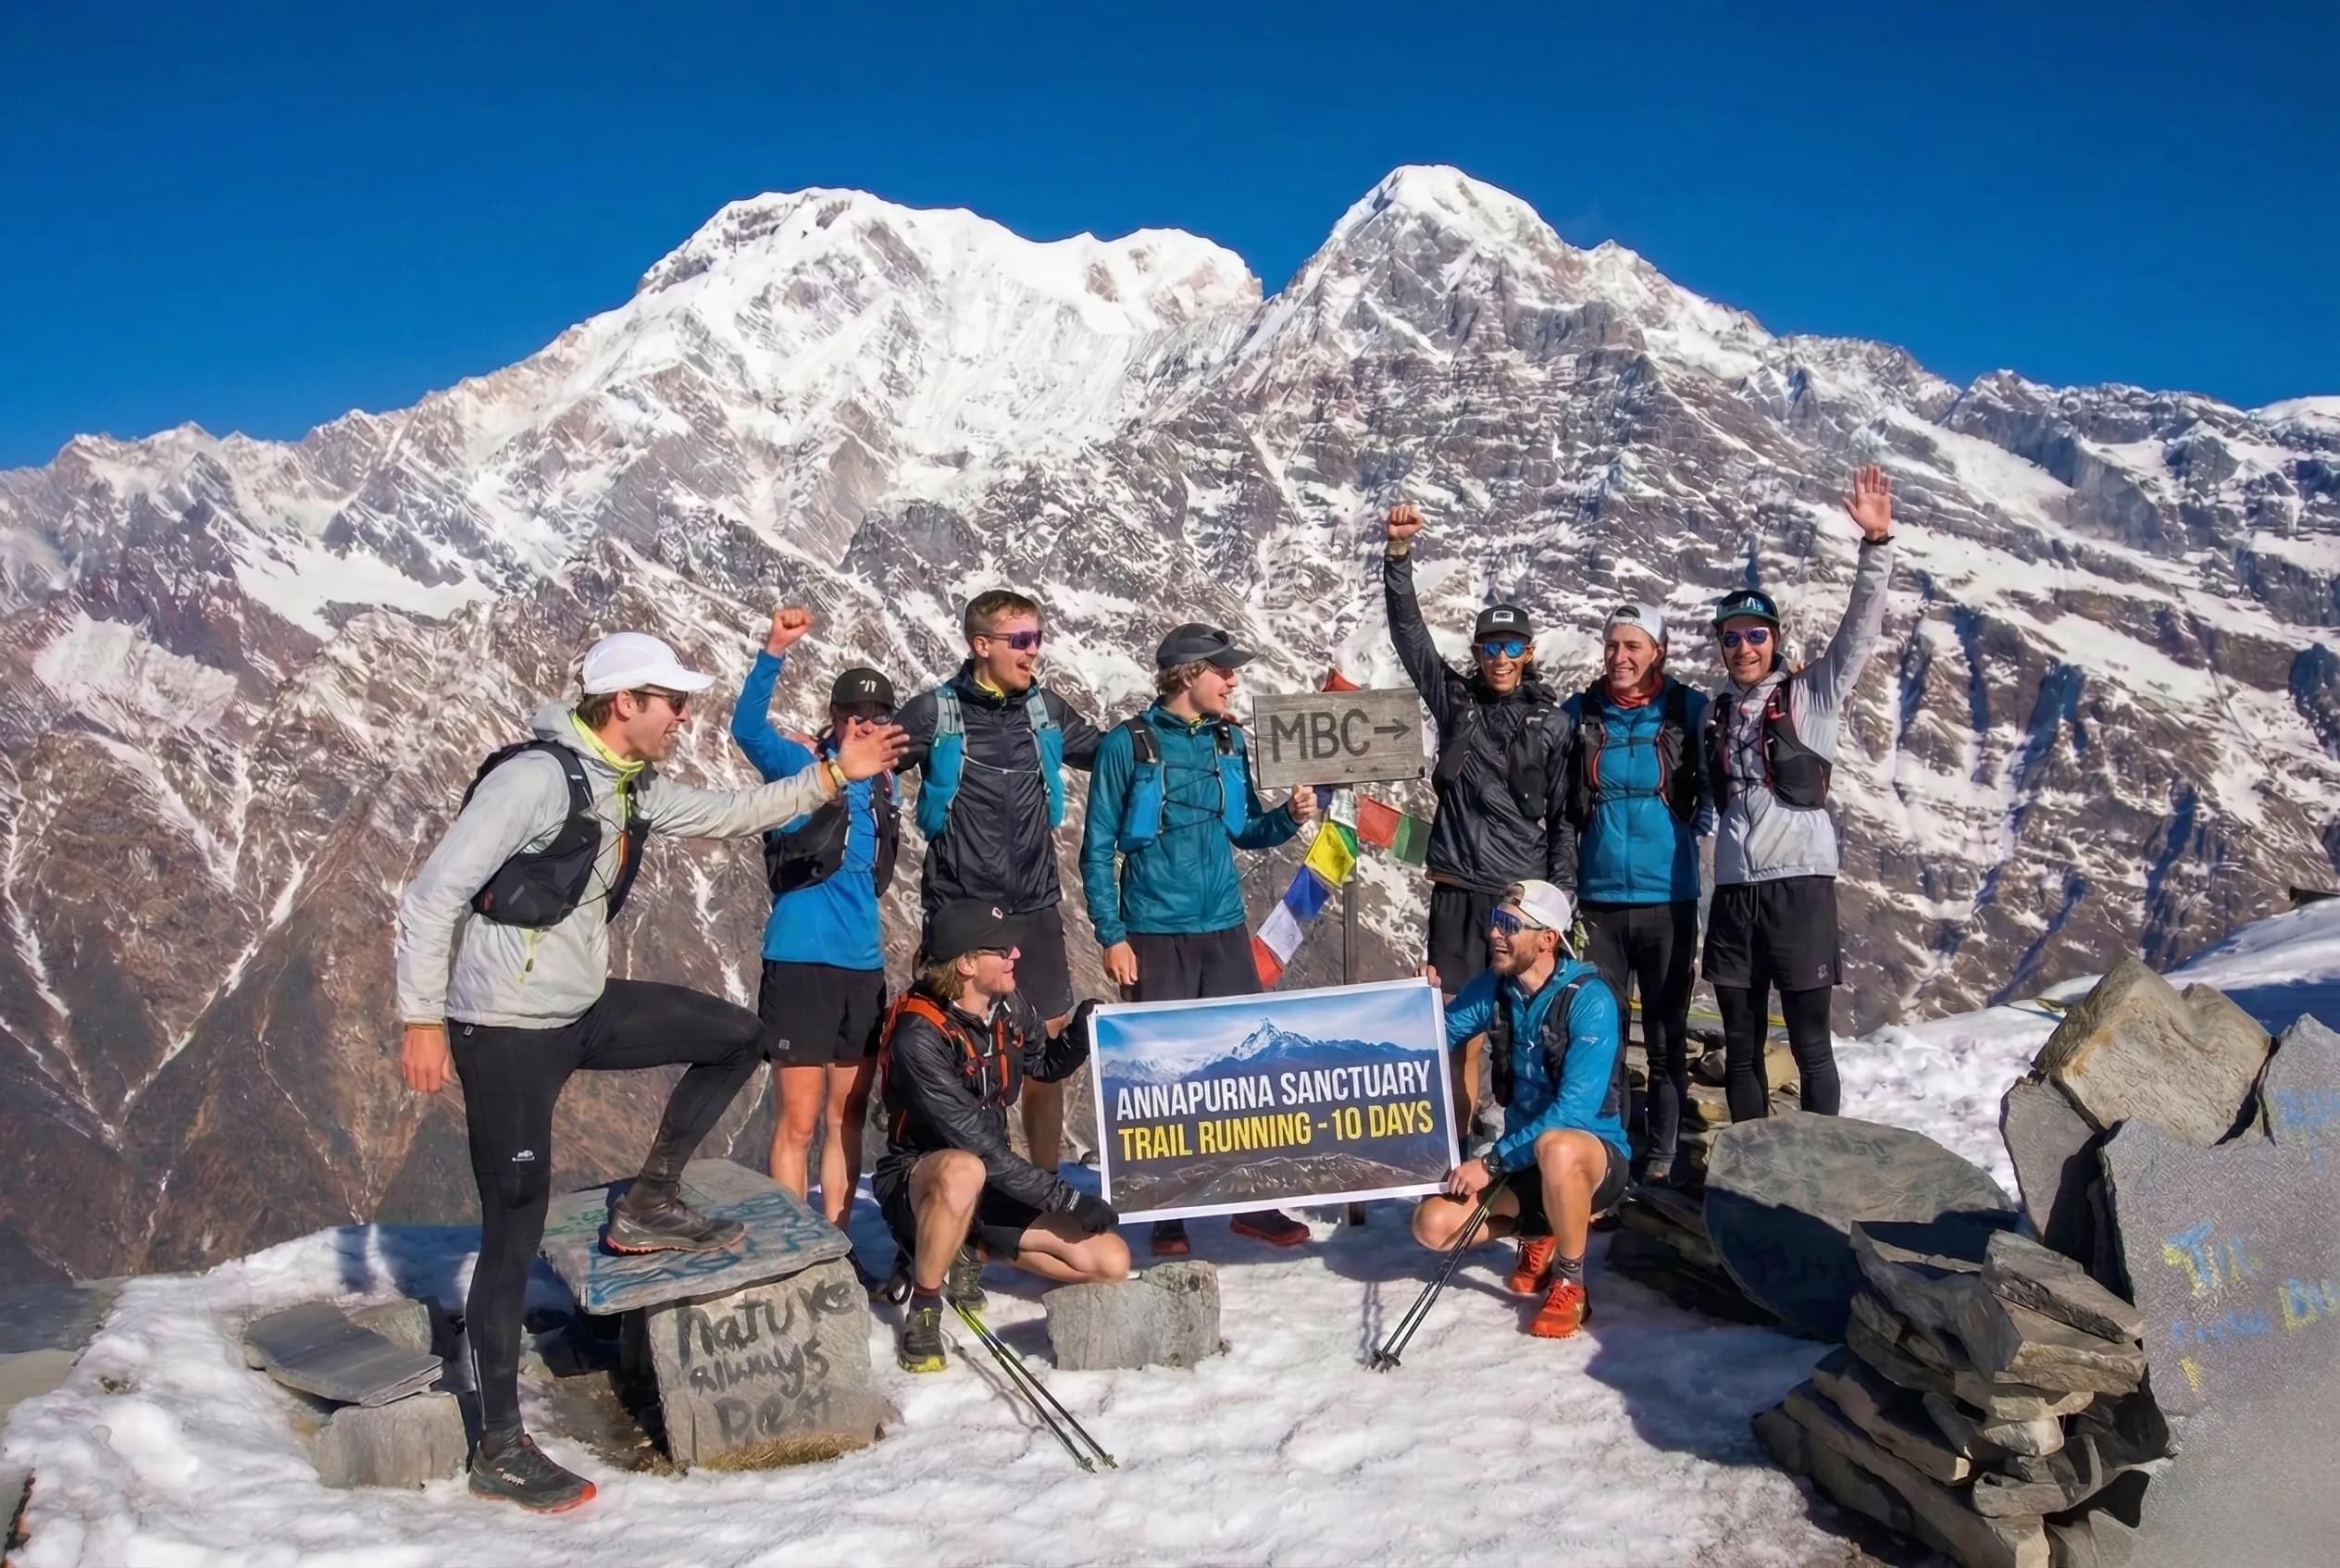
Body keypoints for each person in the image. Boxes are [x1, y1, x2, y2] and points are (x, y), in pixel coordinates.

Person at [395, 629, 907, 1512]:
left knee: (738, 1036)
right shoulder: (536, 780)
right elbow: (433, 892)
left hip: (580, 1006)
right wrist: (423, 1020)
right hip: (506, 1028)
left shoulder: (628, 786)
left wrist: (833, 777)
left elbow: (726, 813)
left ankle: (650, 1200)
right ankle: (501, 1445)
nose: (683, 717)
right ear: (623, 703)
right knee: (512, 1231)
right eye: (672, 702)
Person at [1081, 623, 1319, 1256]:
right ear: (1188, 675)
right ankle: (1167, 1213)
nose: (1232, 679)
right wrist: (1111, 935)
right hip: (1153, 932)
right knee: (1166, 1072)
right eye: (1223, 670)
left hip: (1223, 928)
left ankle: (1255, 1200)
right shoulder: (1124, 745)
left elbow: (1244, 830)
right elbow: (1097, 847)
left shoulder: (1228, 741)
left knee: (1247, 1066)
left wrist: (1288, 820)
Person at [1703, 464, 1898, 1124]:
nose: (1744, 646)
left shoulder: (1812, 694)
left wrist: (1876, 547)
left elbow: (1860, 633)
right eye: (1731, 638)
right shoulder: (1715, 714)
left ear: (1775, 640)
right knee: (1740, 1049)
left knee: (1811, 1045)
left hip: (1801, 887)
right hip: (1734, 893)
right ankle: (1749, 1180)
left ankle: (1819, 1177)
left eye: (1755, 635)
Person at [894, 591, 1103, 1176]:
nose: (1033, 652)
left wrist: (1176, 729)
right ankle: (970, 1190)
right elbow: (872, 761)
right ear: (981, 645)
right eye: (1021, 641)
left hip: (1035, 903)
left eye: (1037, 638)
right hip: (963, 911)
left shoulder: (1044, 710)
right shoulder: (935, 714)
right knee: (962, 1051)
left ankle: (1043, 1184)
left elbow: (1109, 752)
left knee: (1048, 1048)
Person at [876, 900, 1128, 1373]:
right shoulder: (919, 1037)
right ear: (967, 964)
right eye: (1002, 949)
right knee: (963, 1169)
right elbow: (977, 1146)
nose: (1015, 954)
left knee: (1110, 1262)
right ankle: (926, 1306)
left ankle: (969, 1245)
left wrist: (1079, 1032)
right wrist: (1067, 1201)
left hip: (992, 1178)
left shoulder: (1008, 1007)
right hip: (919, 1178)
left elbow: (1044, 1065)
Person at [1384, 502, 1571, 1141]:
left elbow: (1569, 815)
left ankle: (1519, 1153)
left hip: (1520, 901)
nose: (1499, 657)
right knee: (1460, 1030)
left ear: (1528, 652)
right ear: (1479, 651)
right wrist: (1398, 560)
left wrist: (1560, 898)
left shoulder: (1554, 724)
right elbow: (1411, 639)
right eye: (1490, 646)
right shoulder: (1455, 703)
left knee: (1523, 1030)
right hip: (1458, 892)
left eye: (1511, 645)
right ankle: (1460, 1151)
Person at [728, 605, 900, 1248]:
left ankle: (834, 1243)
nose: (865, 723)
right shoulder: (799, 767)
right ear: (834, 719)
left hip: (863, 963)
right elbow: (745, 728)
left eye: (877, 715)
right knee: (798, 1121)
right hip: (799, 960)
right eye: (854, 714)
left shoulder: (887, 786)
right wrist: (773, 650)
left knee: (846, 1119)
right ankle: (793, 1247)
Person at [1412, 880, 1629, 1339]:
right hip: (1523, 1158)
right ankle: (1542, 1231)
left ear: (1548, 939)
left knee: (1557, 1145)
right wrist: (1417, 1005)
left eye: (1510, 925)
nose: (1496, 933)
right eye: (1496, 921)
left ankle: (1570, 1282)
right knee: (1432, 1225)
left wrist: (1491, 1162)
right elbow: (1431, 1040)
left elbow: (1574, 1112)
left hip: (1592, 1159)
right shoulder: (1494, 988)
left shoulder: (1589, 1000)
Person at [1550, 602, 1710, 1183]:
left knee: (1667, 1031)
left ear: (1657, 652)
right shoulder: (1582, 713)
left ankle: (1662, 1154)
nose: (1619, 657)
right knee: (1602, 1033)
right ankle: (1610, 1152)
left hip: (1668, 896)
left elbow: (1722, 770)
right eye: (1612, 645)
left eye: (1633, 646)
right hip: (1599, 903)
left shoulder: (1687, 710)